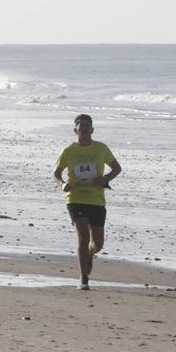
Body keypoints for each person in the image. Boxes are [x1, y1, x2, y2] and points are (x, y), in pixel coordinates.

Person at [53, 113, 122, 291]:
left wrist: (105, 178)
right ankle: (83, 278)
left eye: (87, 125)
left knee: (97, 243)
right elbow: (56, 173)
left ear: (92, 129)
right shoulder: (68, 151)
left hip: (96, 200)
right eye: (80, 125)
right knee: (82, 238)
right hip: (75, 198)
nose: (83, 128)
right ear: (75, 130)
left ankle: (90, 254)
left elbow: (117, 168)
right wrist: (63, 184)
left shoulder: (101, 149)